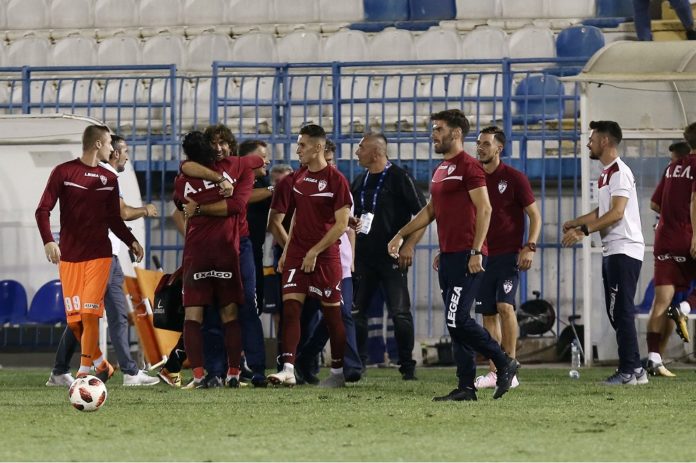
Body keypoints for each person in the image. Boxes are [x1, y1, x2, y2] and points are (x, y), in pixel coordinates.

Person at [387, 109, 519, 401]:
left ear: (456, 133)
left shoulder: (469, 167)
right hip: (448, 257)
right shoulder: (441, 169)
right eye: (433, 129)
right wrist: (400, 234)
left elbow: (485, 209)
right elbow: (431, 210)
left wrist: (476, 250)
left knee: (457, 318)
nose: (433, 134)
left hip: (467, 256)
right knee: (454, 322)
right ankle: (466, 387)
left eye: (439, 129)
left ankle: (504, 362)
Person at [46, 135, 160, 387]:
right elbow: (121, 213)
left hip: (107, 256)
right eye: (124, 151)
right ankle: (122, 372)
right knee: (100, 315)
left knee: (106, 314)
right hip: (98, 257)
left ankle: (65, 370)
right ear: (114, 152)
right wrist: (145, 210)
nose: (127, 156)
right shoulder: (104, 176)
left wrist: (128, 241)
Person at [561, 120, 648, 386]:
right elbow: (603, 211)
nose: (588, 144)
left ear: (605, 141)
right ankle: (637, 370)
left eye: (592, 139)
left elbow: (617, 213)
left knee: (620, 311)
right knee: (616, 312)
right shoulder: (606, 174)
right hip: (613, 249)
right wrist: (576, 221)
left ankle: (628, 371)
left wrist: (583, 231)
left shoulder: (620, 172)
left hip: (624, 248)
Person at [267, 124, 351, 388]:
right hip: (297, 254)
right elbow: (297, 217)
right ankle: (288, 369)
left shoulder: (336, 180)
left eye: (302, 145)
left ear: (318, 147)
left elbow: (341, 224)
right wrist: (288, 251)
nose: (298, 150)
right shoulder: (298, 178)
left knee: (332, 317)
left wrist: (315, 251)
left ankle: (337, 372)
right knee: (291, 309)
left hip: (325, 257)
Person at [172, 131, 257, 389]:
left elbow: (179, 203)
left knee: (193, 315)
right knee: (230, 313)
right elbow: (255, 165)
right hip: (225, 250)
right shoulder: (228, 173)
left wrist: (197, 208)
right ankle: (233, 373)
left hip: (196, 252)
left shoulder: (182, 181)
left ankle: (200, 376)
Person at [351, 133, 426, 380]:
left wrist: (409, 245)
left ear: (376, 153)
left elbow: (423, 215)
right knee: (356, 312)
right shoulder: (359, 181)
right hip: (363, 258)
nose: (356, 152)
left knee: (400, 312)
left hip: (391, 257)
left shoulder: (399, 177)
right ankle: (358, 364)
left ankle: (407, 366)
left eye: (361, 147)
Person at [472, 126, 541, 390]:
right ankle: (495, 370)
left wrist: (530, 246)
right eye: (479, 143)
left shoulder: (514, 178)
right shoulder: (474, 179)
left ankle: (510, 366)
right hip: (482, 255)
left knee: (505, 306)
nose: (480, 148)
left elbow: (535, 216)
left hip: (508, 255)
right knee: (488, 314)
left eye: (486, 144)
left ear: (499, 148)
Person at [294, 140, 363, 384]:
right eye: (327, 160)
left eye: (332, 160)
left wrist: (351, 258)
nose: (330, 165)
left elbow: (347, 226)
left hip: (339, 262)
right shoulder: (301, 186)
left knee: (340, 312)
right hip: (309, 260)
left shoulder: (340, 185)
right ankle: (302, 360)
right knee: (313, 315)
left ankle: (350, 366)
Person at [644, 133, 696, 377]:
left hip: (664, 240)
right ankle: (684, 308)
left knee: (661, 302)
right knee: (674, 303)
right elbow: (695, 199)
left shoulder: (672, 168)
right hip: (687, 237)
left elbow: (655, 204)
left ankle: (654, 358)